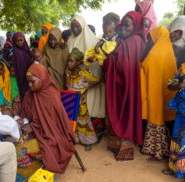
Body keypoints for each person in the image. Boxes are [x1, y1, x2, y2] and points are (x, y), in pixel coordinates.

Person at [103, 11, 148, 161]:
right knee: (120, 111)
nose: (123, 29)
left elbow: (125, 65)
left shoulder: (135, 40)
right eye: (122, 26)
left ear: (135, 26)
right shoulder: (125, 40)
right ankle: (118, 143)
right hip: (121, 83)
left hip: (128, 83)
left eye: (127, 26)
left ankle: (126, 145)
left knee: (125, 112)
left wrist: (110, 59)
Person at [20, 63, 75, 174]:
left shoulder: (51, 96)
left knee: (51, 145)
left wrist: (33, 126)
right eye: (28, 82)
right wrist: (24, 122)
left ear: (43, 79)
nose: (30, 85)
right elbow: (25, 115)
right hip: (35, 128)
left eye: (33, 81)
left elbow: (54, 124)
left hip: (52, 132)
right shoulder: (29, 94)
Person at [140, 26, 178, 162]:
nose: (149, 41)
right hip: (169, 96)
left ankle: (157, 152)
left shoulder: (154, 53)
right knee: (168, 122)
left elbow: (144, 66)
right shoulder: (170, 52)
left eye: (151, 38)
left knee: (156, 118)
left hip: (155, 93)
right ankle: (167, 153)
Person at [66, 48, 99, 151]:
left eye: (71, 61)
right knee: (73, 121)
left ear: (78, 62)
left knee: (83, 122)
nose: (69, 63)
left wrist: (87, 87)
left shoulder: (83, 73)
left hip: (81, 104)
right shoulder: (69, 73)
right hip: (72, 102)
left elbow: (97, 79)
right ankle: (75, 139)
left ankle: (88, 141)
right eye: (68, 61)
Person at [163, 69, 185, 182]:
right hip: (181, 114)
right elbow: (170, 86)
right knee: (177, 139)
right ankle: (176, 168)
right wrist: (178, 83)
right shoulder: (183, 68)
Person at [13, 32, 32, 98]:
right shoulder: (16, 52)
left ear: (24, 40)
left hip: (29, 75)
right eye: (17, 41)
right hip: (21, 77)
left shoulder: (27, 50)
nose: (19, 42)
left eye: (21, 40)